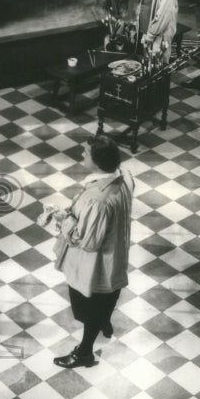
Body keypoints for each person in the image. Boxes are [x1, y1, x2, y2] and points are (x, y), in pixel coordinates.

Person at [41, 135, 134, 369]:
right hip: (115, 256)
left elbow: (88, 241)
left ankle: (84, 353)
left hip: (94, 266)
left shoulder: (98, 199)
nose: (82, 154)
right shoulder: (125, 178)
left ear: (97, 160)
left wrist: (64, 220)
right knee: (106, 300)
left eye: (85, 152)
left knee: (89, 306)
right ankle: (105, 322)